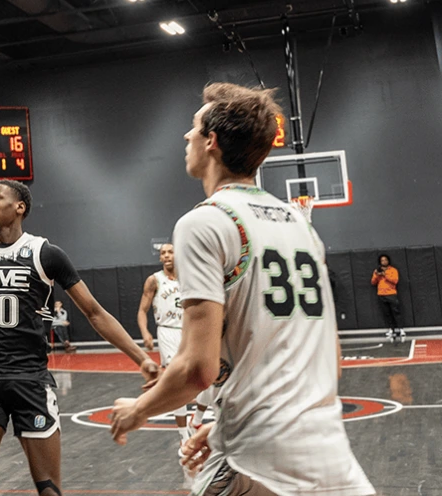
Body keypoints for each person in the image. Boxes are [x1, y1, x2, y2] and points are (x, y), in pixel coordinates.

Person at [110, 83, 374, 496]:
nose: (186, 135)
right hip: (325, 451)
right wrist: (225, 426)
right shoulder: (301, 225)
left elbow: (197, 369)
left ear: (211, 142)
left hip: (257, 457)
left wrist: (137, 410)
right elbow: (331, 360)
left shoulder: (204, 222)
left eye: (194, 127)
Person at [0, 180, 158, 496]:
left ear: (19, 207)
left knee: (50, 491)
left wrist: (142, 359)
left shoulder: (46, 254)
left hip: (30, 380)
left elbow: (95, 313)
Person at [136, 243, 187, 434]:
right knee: (178, 382)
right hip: (167, 332)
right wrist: (145, 332)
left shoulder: (188, 278)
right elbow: (142, 310)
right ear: (160, 258)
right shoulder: (154, 280)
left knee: (202, 376)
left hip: (189, 331)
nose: (166, 255)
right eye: (163, 253)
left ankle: (197, 420)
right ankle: (184, 435)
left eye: (170, 252)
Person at [372, 254, 405, 341]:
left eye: (385, 260)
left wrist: (384, 274)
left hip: (391, 294)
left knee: (396, 312)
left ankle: (401, 329)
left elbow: (395, 280)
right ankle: (391, 329)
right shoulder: (377, 270)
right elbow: (373, 282)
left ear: (388, 261)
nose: (384, 262)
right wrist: (377, 275)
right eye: (382, 260)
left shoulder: (393, 270)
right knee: (386, 313)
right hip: (381, 294)